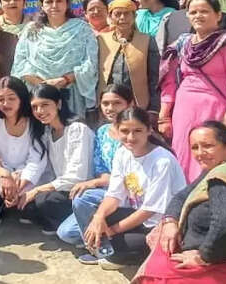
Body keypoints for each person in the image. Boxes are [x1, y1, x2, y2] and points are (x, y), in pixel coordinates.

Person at [134, 121, 226, 284]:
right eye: (195, 147)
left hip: (221, 262)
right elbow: (182, 196)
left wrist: (203, 256)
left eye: (208, 146)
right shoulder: (215, 170)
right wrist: (169, 221)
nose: (200, 153)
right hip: (207, 256)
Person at [158, 0, 226, 181]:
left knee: (211, 155)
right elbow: (168, 80)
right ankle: (184, 202)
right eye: (193, 12)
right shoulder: (182, 44)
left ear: (218, 15)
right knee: (184, 155)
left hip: (215, 109)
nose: (198, 16)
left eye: (204, 11)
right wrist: (164, 115)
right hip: (184, 111)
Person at [77, 108, 187, 268]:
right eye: (125, 131)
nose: (130, 137)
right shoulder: (123, 153)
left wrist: (112, 231)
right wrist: (98, 218)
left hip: (159, 224)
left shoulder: (162, 161)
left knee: (117, 241)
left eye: (137, 131)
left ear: (149, 130)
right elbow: (113, 195)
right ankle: (109, 250)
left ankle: (126, 254)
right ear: (116, 130)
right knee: (94, 217)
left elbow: (149, 210)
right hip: (137, 215)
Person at [57, 84, 132, 247]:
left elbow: (134, 178)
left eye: (117, 103)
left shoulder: (134, 133)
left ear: (129, 104)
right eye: (105, 104)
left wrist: (94, 183)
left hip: (131, 193)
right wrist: (98, 182)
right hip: (106, 192)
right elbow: (101, 170)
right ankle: (104, 233)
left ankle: (100, 248)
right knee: (66, 233)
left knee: (83, 198)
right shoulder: (103, 131)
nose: (110, 108)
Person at [12, 0, 99, 116]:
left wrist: (65, 79)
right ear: (42, 5)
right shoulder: (31, 30)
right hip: (38, 94)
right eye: (49, 2)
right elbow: (20, 62)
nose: (54, 5)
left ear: (67, 4)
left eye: (59, 1)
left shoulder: (82, 29)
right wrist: (42, 84)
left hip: (70, 93)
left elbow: (91, 62)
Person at [19, 85, 96, 235]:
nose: (40, 111)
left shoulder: (77, 129)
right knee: (27, 207)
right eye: (35, 107)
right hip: (62, 187)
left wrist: (38, 190)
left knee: (44, 201)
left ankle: (76, 224)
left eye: (45, 105)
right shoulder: (48, 132)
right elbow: (43, 166)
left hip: (81, 189)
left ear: (59, 104)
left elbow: (77, 176)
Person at [0, 77, 48, 226]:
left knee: (31, 209)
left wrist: (20, 182)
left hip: (28, 176)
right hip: (1, 173)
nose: (5, 104)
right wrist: (6, 174)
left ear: (22, 98)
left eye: (11, 98)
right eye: (0, 99)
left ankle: (20, 201)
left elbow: (37, 159)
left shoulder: (35, 121)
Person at [98, 0, 160, 115]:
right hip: (108, 105)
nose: (122, 18)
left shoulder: (146, 40)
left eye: (127, 14)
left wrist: (154, 108)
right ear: (110, 17)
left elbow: (155, 77)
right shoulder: (101, 40)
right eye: (117, 14)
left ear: (135, 16)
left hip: (138, 104)